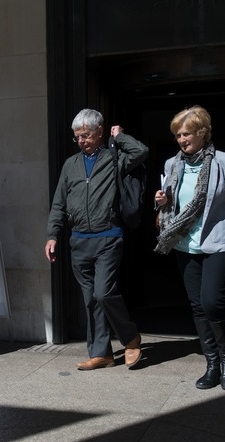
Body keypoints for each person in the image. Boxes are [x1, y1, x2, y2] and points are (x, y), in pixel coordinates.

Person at [154, 105, 225, 390]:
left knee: (213, 302)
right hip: (185, 244)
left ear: (202, 133)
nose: (181, 139)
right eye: (177, 135)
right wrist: (162, 203)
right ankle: (212, 364)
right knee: (198, 307)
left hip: (220, 242)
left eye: (186, 133)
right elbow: (171, 207)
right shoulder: (172, 165)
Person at [45, 108, 148, 370]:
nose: (82, 141)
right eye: (78, 137)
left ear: (100, 132)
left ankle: (131, 338)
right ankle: (101, 352)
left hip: (108, 238)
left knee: (103, 293)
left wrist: (121, 136)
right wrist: (52, 235)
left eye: (87, 135)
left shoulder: (115, 158)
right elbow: (59, 203)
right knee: (90, 300)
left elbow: (141, 152)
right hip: (78, 241)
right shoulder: (71, 165)